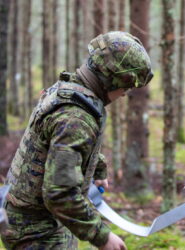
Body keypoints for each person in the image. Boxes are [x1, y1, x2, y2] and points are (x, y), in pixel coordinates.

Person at [1, 31, 153, 250]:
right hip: (36, 231)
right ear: (111, 79)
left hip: (39, 220)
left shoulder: (69, 90)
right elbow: (60, 194)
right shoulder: (76, 117)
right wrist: (101, 236)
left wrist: (97, 166)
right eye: (126, 86)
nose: (124, 94)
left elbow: (63, 145)